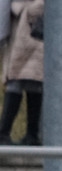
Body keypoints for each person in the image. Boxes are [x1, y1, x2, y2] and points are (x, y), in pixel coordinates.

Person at [0, 0, 44, 146]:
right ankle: (30, 134)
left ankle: (7, 132)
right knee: (30, 78)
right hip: (26, 23)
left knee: (26, 78)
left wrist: (31, 10)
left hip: (31, 23)